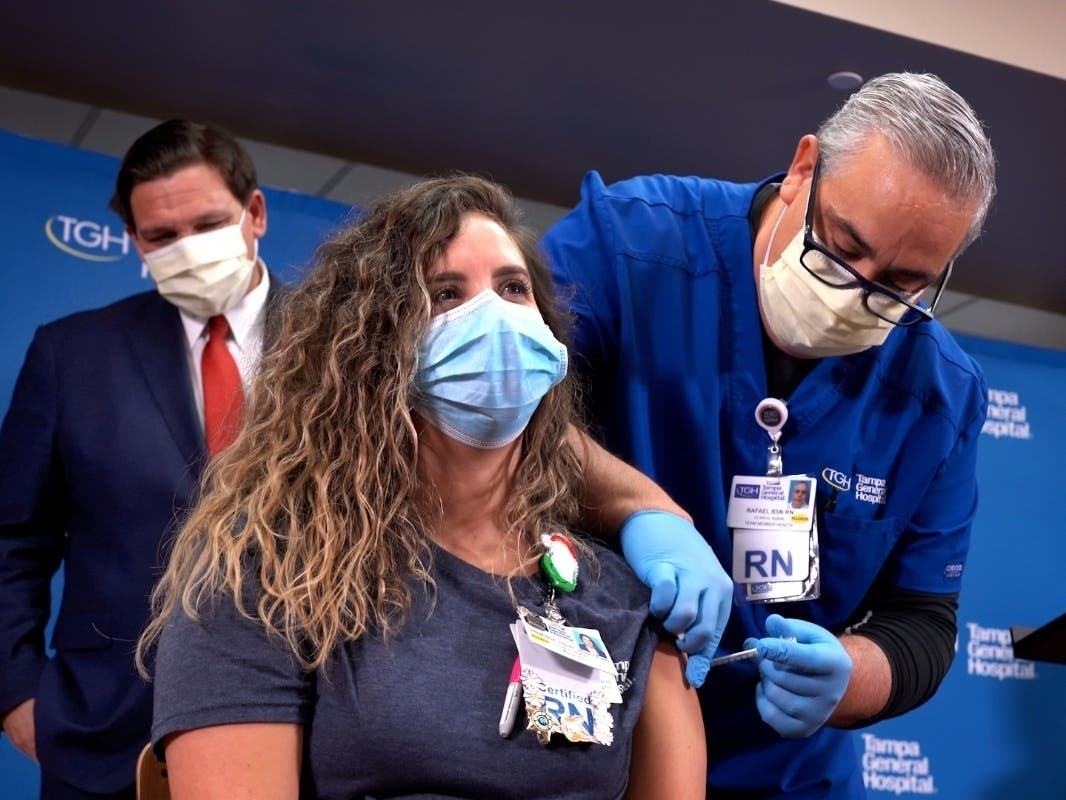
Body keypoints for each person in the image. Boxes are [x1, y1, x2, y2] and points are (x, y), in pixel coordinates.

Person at [137, 175, 707, 799]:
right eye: (444, 293)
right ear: (372, 347)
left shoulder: (618, 597)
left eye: (513, 288)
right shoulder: (267, 576)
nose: (491, 315)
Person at [542, 72, 995, 797]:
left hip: (782, 772)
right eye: (843, 248)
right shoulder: (632, 243)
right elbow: (499, 419)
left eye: (902, 284)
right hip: (582, 732)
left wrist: (847, 677)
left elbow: (923, 623)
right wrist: (640, 511)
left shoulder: (938, 394)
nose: (856, 293)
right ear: (804, 169)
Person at [0, 119, 281, 799]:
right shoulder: (72, 355)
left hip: (309, 729)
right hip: (106, 738)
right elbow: (13, 539)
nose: (187, 250)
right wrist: (17, 696)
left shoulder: (341, 352)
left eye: (208, 224)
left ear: (255, 213)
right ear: (134, 241)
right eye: (161, 237)